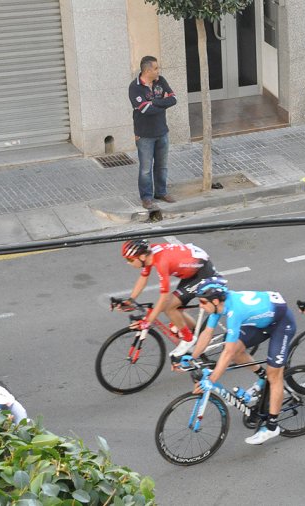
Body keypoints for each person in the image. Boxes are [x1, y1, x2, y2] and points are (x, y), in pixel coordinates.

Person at [180, 277, 295, 445]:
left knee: (274, 375)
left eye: (203, 301)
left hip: (281, 323)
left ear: (216, 300)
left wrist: (211, 380)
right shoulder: (217, 307)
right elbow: (206, 333)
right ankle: (261, 375)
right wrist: (192, 356)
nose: (200, 305)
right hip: (260, 321)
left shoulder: (234, 312)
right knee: (237, 352)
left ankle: (272, 427)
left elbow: (226, 352)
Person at [120, 239, 218, 357]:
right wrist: (131, 300)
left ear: (141, 257)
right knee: (176, 308)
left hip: (202, 274)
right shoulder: (149, 255)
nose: (128, 262)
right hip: (192, 269)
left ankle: (188, 339)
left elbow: (164, 298)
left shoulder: (161, 263)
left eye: (129, 259)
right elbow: (143, 278)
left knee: (168, 307)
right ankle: (196, 335)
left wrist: (148, 321)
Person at [129, 55, 177, 210]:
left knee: (162, 166)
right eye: (156, 68)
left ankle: (161, 192)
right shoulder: (134, 87)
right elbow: (144, 109)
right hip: (144, 135)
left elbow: (173, 99)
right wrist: (161, 103)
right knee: (145, 169)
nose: (158, 71)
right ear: (147, 70)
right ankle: (146, 197)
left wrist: (154, 102)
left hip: (162, 131)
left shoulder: (160, 81)